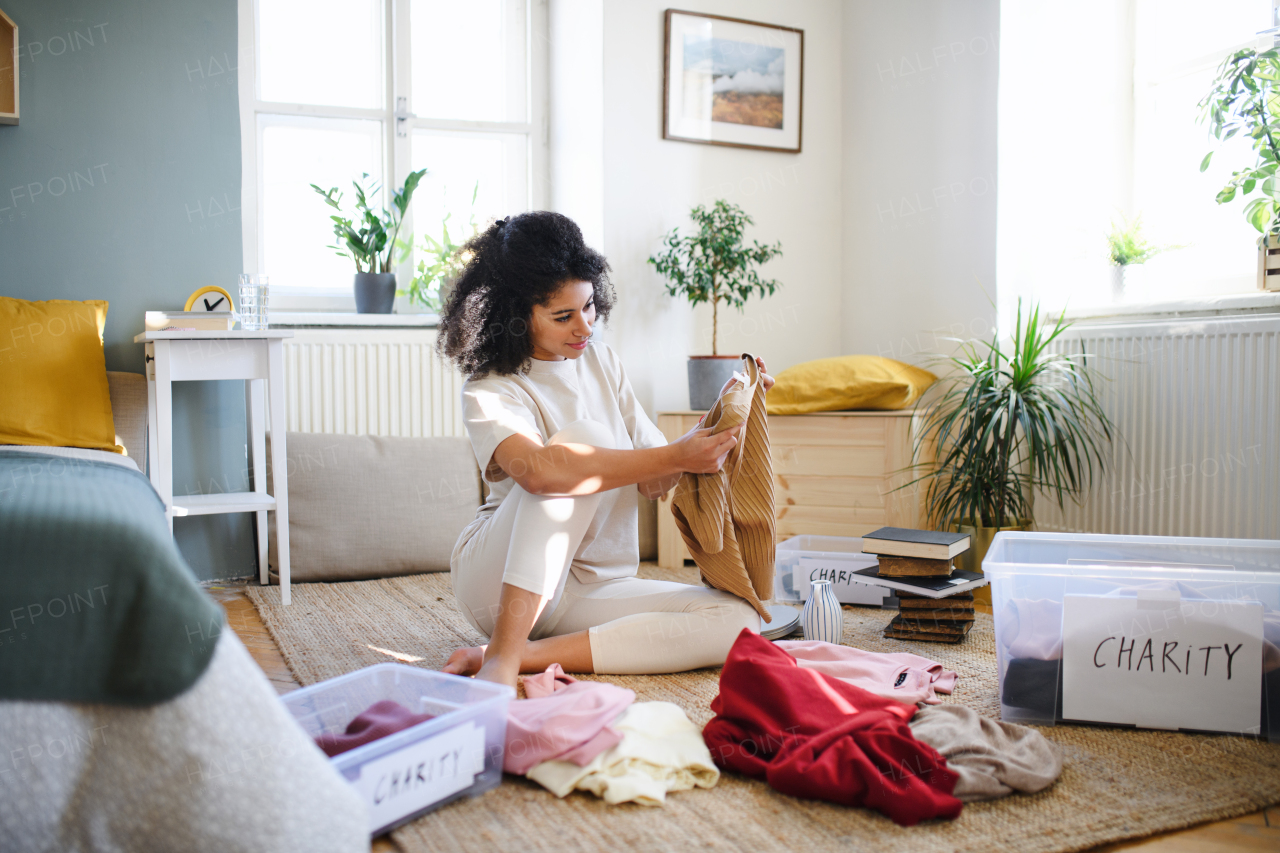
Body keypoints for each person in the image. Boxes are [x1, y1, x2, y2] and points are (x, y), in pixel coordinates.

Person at [435, 211, 773, 689]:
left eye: (590, 306)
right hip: (498, 587)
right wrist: (675, 455)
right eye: (563, 316)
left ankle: (526, 655)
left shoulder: (603, 362)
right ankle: (503, 656)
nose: (585, 327)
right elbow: (540, 474)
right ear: (515, 316)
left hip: (595, 586)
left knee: (740, 621)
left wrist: (725, 418)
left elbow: (657, 476)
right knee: (582, 443)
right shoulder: (490, 387)